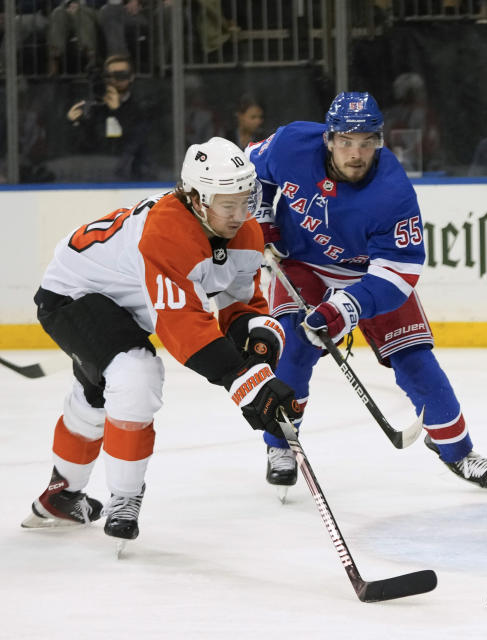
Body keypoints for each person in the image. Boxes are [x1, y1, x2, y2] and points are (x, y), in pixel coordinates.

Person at [21, 137, 302, 542]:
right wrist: (244, 383)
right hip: (73, 294)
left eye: (246, 200)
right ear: (195, 198)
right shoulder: (168, 231)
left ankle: (60, 497)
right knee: (136, 373)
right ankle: (125, 497)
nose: (241, 214)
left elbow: (237, 304)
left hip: (129, 304)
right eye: (229, 204)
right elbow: (183, 327)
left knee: (97, 390)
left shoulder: (245, 233)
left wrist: (257, 345)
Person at [247, 91, 487, 491]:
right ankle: (280, 443)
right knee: (296, 346)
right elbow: (252, 169)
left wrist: (343, 311)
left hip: (368, 275)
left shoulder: (394, 192)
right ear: (329, 139)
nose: (356, 153)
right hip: (303, 263)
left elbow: (398, 273)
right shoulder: (290, 143)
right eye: (347, 142)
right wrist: (263, 219)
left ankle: (457, 451)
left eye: (366, 142)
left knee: (415, 360)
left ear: (379, 142)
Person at [65, 54, 154, 180]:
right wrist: (74, 123)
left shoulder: (142, 107)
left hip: (131, 178)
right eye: (109, 76)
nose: (115, 80)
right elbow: (82, 147)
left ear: (131, 77)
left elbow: (140, 144)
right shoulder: (95, 107)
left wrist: (118, 111)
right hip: (95, 176)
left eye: (121, 75)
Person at [47, 0, 98, 75]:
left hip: (89, 10)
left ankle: (92, 59)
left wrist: (79, 5)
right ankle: (55, 61)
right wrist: (68, 5)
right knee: (58, 13)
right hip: (66, 10)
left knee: (82, 13)